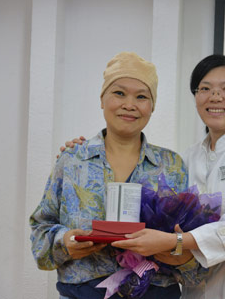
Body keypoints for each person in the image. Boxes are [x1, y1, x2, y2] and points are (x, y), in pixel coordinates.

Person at [67, 54, 225, 298]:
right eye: (205, 89)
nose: (215, 97)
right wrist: (81, 150)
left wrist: (174, 241)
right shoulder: (183, 160)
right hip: (196, 286)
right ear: (196, 97)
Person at [29, 52, 206, 299]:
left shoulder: (172, 165)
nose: (130, 104)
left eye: (142, 96)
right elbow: (40, 230)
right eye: (119, 93)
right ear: (102, 99)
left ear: (152, 107)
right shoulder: (73, 160)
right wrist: (66, 241)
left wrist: (177, 252)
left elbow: (191, 251)